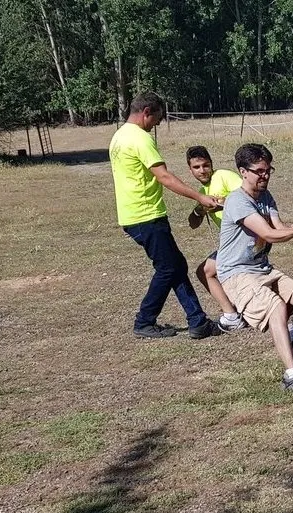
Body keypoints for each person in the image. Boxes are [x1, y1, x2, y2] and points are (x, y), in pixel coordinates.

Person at [109, 92, 222, 339]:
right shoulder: (140, 138)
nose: (157, 124)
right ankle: (144, 321)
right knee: (168, 268)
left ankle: (198, 321)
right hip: (146, 215)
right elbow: (164, 177)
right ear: (146, 112)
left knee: (175, 266)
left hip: (133, 214)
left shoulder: (119, 136)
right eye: (157, 119)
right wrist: (200, 197)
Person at [216, 143, 293, 394]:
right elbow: (269, 234)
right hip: (236, 273)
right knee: (276, 308)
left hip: (262, 268)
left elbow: (279, 226)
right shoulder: (237, 201)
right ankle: (292, 376)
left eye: (268, 170)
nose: (265, 176)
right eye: (259, 171)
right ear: (243, 171)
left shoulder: (265, 196)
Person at [185, 146, 247, 332]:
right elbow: (193, 223)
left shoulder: (224, 176)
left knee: (206, 271)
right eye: (197, 167)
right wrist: (200, 209)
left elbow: (248, 197)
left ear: (212, 164)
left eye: (206, 165)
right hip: (233, 242)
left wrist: (221, 203)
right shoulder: (202, 191)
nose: (202, 171)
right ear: (190, 170)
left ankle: (232, 315)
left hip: (245, 236)